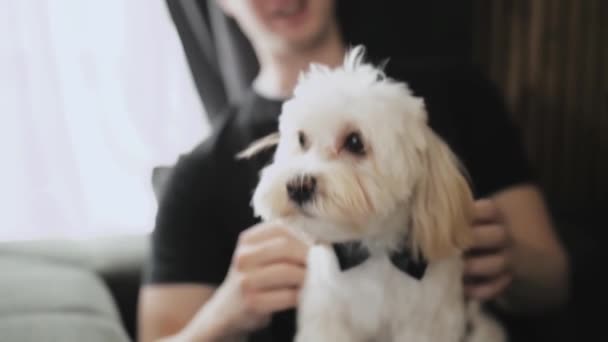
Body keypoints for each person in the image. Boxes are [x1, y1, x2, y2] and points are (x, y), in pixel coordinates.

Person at [138, 0, 570, 341]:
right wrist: (224, 314)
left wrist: (514, 262)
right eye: (302, 143)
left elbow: (558, 283)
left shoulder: (460, 92)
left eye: (355, 145)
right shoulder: (195, 177)